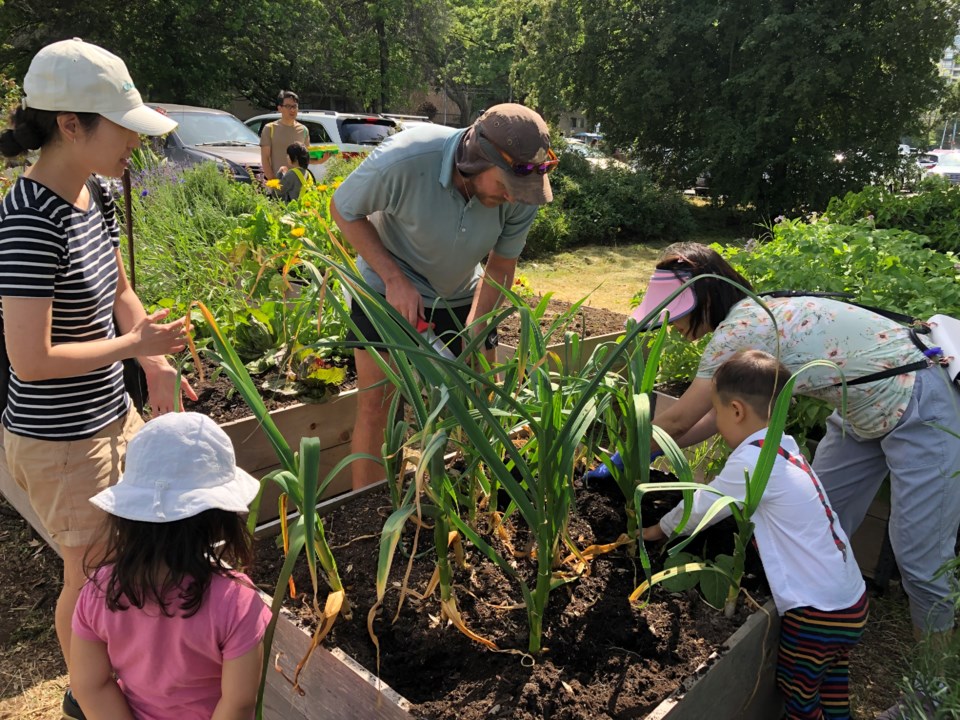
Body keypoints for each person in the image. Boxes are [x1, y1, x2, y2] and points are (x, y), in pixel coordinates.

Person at [624, 242, 960, 641]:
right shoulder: (754, 311)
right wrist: (655, 447)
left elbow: (678, 421)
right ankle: (820, 617)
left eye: (676, 316)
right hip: (860, 410)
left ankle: (931, 696)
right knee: (821, 517)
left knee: (921, 559)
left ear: (705, 298)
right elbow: (717, 415)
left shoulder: (739, 330)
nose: (675, 329)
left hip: (919, 401)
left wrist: (625, 458)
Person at [0, 38, 196, 720]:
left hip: (109, 416)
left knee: (126, 557)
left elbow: (119, 289)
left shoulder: (92, 196)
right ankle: (88, 698)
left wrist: (153, 358)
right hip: (58, 441)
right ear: (70, 124)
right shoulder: (28, 218)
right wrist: (130, 346)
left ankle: (113, 675)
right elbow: (30, 359)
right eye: (124, 129)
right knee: (88, 578)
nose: (135, 146)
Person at [331, 103, 556, 489]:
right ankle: (367, 511)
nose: (512, 199)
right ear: (475, 160)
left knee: (480, 398)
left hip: (463, 289)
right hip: (385, 288)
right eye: (504, 188)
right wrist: (394, 279)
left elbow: (501, 264)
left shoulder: (521, 194)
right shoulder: (407, 157)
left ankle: (474, 495)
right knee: (377, 406)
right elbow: (343, 209)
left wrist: (478, 321)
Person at [643, 350, 868, 719]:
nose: (715, 421)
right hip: (849, 600)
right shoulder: (784, 447)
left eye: (715, 412)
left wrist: (656, 530)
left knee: (798, 695)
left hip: (817, 612)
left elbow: (702, 505)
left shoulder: (753, 463)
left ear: (736, 411)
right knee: (829, 682)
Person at [71, 412, 271, 720]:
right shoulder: (238, 602)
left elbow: (89, 686)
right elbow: (239, 704)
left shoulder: (99, 589)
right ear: (219, 521)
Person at [259, 91, 309, 182]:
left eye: (294, 106)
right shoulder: (269, 129)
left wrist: (321, 160)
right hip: (278, 183)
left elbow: (305, 159)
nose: (292, 110)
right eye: (288, 106)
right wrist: (274, 182)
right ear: (280, 108)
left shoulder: (303, 130)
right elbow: (265, 159)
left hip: (298, 184)